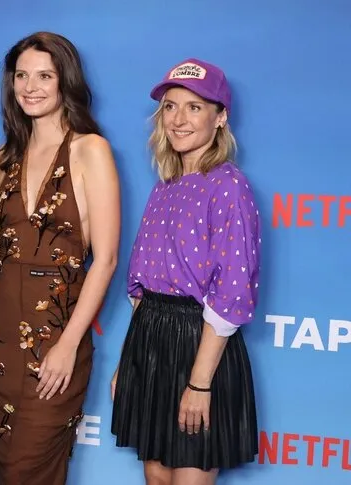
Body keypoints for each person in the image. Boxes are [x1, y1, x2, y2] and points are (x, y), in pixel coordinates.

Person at [0, 32, 120, 484]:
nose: (30, 87)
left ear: (65, 81)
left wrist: (68, 345)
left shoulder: (90, 150)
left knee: (29, 469)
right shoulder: (2, 159)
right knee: (0, 468)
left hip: (55, 340)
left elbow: (106, 260)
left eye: (44, 76)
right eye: (22, 76)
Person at [111, 58, 260, 485]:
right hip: (150, 341)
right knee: (156, 478)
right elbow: (141, 289)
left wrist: (198, 384)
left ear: (220, 117)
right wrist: (128, 362)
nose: (179, 120)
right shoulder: (166, 185)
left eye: (195, 107)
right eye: (171, 107)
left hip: (200, 346)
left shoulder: (228, 185)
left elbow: (231, 294)